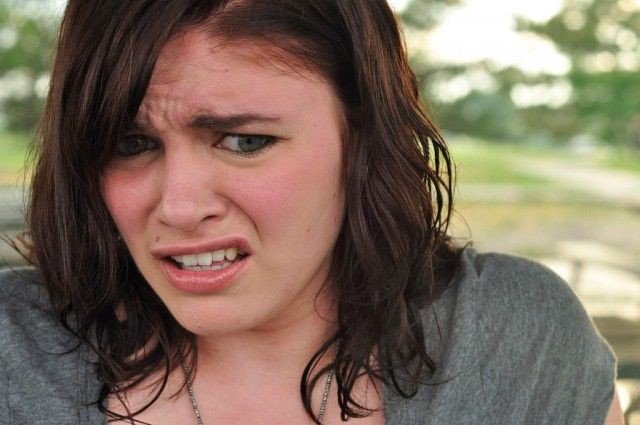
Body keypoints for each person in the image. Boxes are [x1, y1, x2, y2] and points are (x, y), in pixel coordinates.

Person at [0, 1, 622, 424]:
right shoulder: (13, 353)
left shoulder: (516, 342)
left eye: (245, 141)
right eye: (130, 145)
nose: (181, 207)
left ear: (362, 137)